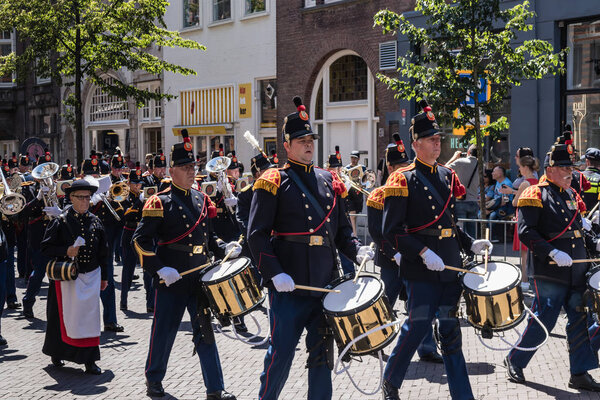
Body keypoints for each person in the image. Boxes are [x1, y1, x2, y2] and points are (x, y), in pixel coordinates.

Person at [248, 96, 373, 400]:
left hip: (323, 285)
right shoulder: (274, 180)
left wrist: (355, 250)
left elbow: (341, 229)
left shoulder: (328, 180)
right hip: (289, 286)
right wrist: (273, 273)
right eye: (301, 140)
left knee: (321, 357)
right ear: (287, 144)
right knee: (280, 356)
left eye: (311, 139)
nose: (308, 145)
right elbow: (256, 235)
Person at [381, 100, 492, 400]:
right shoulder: (401, 179)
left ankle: (462, 394)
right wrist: (422, 253)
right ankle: (391, 379)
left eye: (439, 138)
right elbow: (391, 230)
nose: (437, 142)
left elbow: (450, 224)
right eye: (431, 139)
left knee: (450, 331)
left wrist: (469, 243)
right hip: (422, 270)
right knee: (417, 327)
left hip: (449, 267)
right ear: (415, 144)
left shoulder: (446, 175)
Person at [133, 128, 240, 399]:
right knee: (164, 332)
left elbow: (208, 237)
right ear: (172, 169)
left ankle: (215, 388)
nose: (191, 170)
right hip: (172, 278)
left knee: (205, 332)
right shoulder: (160, 201)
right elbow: (140, 241)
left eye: (193, 165)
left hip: (199, 277)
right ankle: (153, 380)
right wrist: (159, 268)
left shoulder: (201, 199)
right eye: (184, 166)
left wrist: (225, 246)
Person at [504, 137, 600, 392]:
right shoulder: (535, 193)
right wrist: (552, 252)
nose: (571, 173)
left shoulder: (570, 194)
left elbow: (578, 229)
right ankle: (515, 359)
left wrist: (595, 242)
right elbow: (526, 232)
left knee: (579, 320)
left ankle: (579, 373)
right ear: (550, 170)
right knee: (544, 320)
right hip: (550, 271)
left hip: (576, 271)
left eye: (571, 168)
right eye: (566, 168)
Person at [367, 133, 442, 364]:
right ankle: (376, 342)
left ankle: (426, 347)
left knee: (419, 304)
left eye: (405, 164)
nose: (403, 168)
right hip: (392, 259)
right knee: (386, 302)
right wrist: (394, 254)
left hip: (413, 255)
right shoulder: (379, 193)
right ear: (389, 167)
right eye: (398, 165)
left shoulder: (412, 186)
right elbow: (378, 232)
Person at [40, 177, 109, 375]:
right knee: (61, 317)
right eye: (81, 198)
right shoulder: (61, 221)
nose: (85, 202)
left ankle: (90, 360)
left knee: (90, 319)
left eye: (88, 198)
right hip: (67, 278)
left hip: (91, 276)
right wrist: (66, 250)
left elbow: (104, 252)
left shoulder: (95, 222)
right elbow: (45, 247)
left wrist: (105, 277)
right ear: (71, 198)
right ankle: (57, 351)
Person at [89, 149, 127, 333]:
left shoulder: (109, 187)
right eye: (92, 174)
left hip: (106, 241)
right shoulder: (77, 189)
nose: (95, 177)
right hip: (86, 244)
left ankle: (110, 320)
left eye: (97, 174)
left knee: (108, 280)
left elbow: (120, 216)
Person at [120, 162, 154, 312]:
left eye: (140, 183)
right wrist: (138, 203)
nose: (138, 186)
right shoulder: (124, 195)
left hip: (143, 235)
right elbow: (125, 214)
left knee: (148, 270)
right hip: (129, 233)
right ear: (129, 183)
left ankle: (150, 303)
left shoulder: (145, 196)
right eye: (135, 183)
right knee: (128, 269)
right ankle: (123, 301)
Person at [325, 146, 354, 275]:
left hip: (343, 222)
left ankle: (350, 277)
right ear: (328, 168)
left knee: (347, 257)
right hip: (329, 223)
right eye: (334, 168)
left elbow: (354, 201)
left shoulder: (344, 181)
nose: (337, 170)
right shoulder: (325, 181)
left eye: (338, 167)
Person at [447, 144, 480, 238]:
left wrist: (454, 157)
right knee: (472, 233)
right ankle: (472, 251)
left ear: (469, 152)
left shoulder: (460, 161)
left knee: (460, 231)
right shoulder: (481, 165)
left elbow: (443, 169)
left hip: (460, 201)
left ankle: (461, 251)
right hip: (474, 201)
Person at [345, 150, 367, 236]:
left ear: (358, 159)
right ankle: (355, 236)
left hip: (359, 194)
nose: (353, 160)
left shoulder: (362, 168)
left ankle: (353, 233)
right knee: (352, 215)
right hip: (350, 194)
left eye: (355, 158)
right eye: (352, 158)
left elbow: (365, 180)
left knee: (355, 215)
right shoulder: (346, 168)